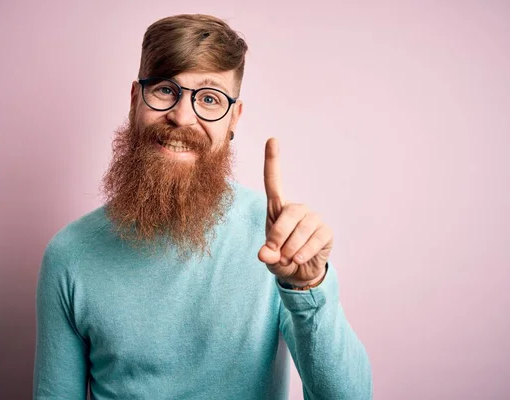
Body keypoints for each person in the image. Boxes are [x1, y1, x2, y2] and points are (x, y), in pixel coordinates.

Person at [33, 14, 372, 400]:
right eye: (164, 89)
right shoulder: (70, 255)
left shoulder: (278, 242)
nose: (181, 116)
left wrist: (308, 287)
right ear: (133, 100)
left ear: (233, 120)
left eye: (209, 99)